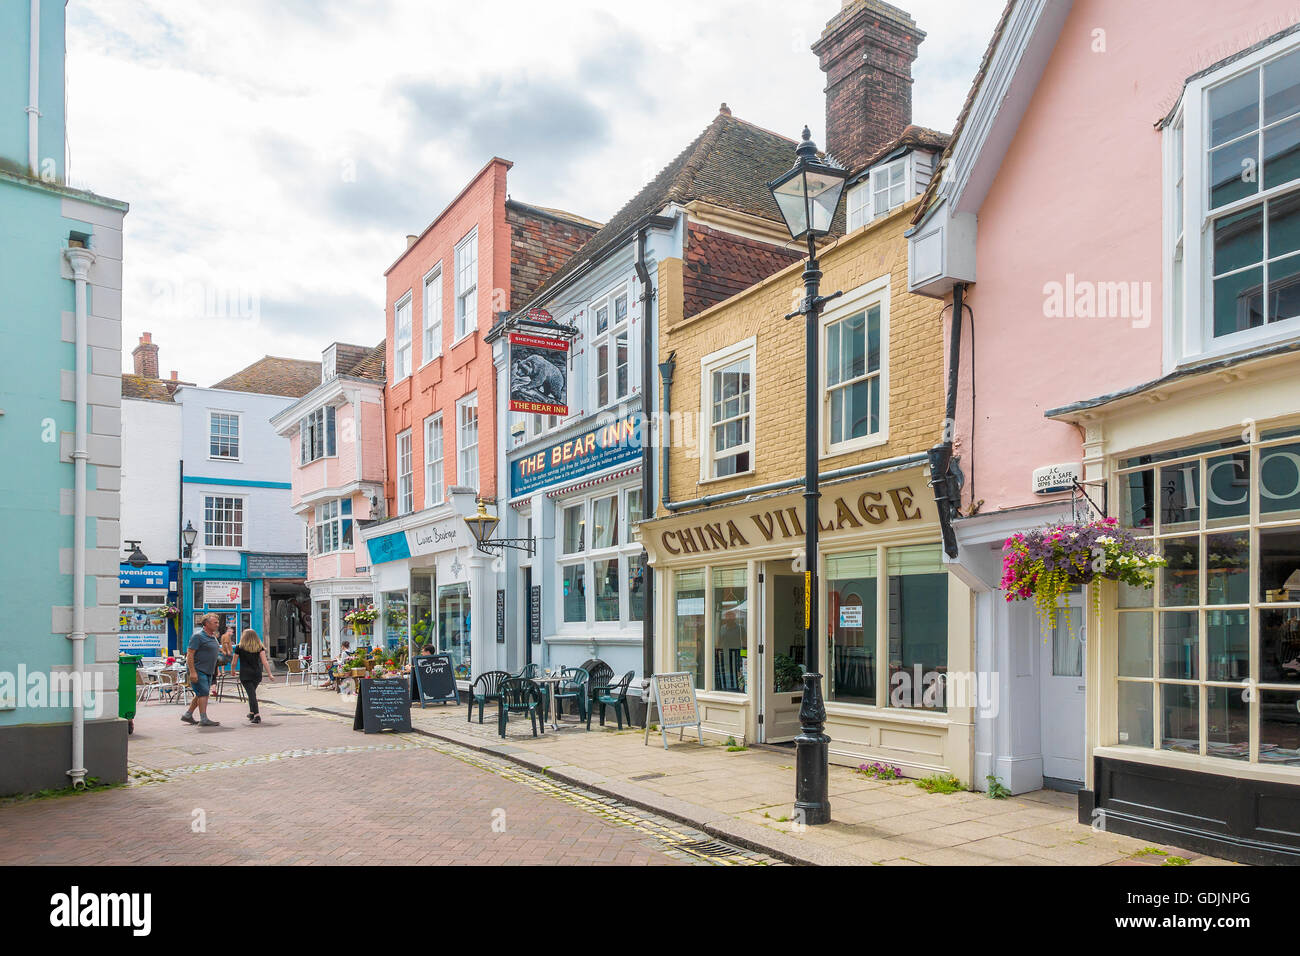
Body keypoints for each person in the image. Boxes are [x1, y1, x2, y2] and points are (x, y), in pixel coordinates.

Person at [183, 613, 222, 726]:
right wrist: (193, 672)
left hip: (208, 670)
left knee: (201, 693)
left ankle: (188, 715)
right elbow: (190, 655)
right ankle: (203, 719)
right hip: (198, 669)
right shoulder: (198, 636)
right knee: (204, 693)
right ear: (206, 624)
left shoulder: (213, 636)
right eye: (215, 623)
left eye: (217, 622)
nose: (217, 624)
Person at [234, 629, 275, 724]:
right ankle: (252, 713)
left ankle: (257, 715)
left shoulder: (239, 647)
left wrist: (232, 670)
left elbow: (234, 662)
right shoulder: (259, 647)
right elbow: (265, 661)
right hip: (256, 674)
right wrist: (269, 674)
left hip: (245, 674)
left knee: (252, 694)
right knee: (251, 693)